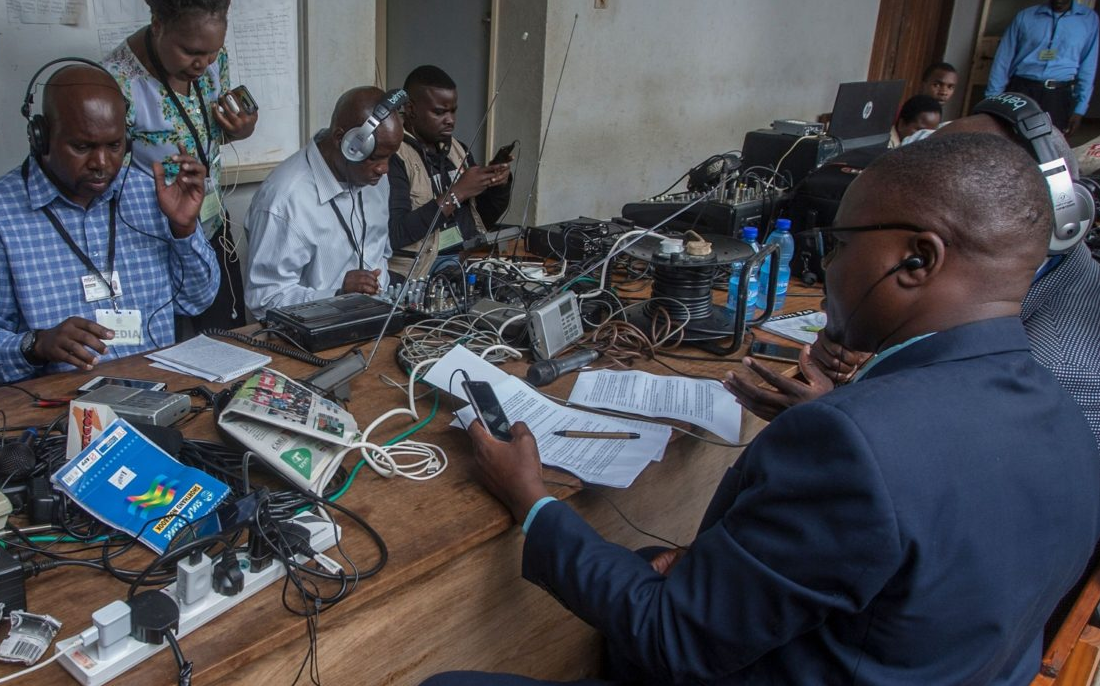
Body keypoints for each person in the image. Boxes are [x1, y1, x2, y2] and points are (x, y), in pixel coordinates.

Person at [425, 134, 1100, 684]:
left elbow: (671, 638)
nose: (827, 267)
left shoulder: (855, 445)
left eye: (837, 244)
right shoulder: (1067, 417)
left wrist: (532, 501)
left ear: (916, 259)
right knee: (652, 558)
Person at [726, 106, 1100, 446]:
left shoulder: (1062, 368)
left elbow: (979, 495)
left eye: (940, 174)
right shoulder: (981, 289)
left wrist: (839, 422)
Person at [0, 63, 218, 385]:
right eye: (83, 147)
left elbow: (196, 301)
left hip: (156, 393)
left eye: (114, 146)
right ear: (41, 137)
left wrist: (183, 229)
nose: (101, 164)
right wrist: (36, 345)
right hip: (59, 410)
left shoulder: (150, 195)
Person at [103, 0, 254, 330]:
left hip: (212, 226)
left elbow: (206, 132)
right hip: (154, 241)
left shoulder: (214, 59)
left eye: (212, 52)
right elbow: (105, 178)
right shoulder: (117, 82)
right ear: (157, 24)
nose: (203, 64)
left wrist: (241, 130)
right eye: (191, 52)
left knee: (228, 344)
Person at [243, 86, 403, 318]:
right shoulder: (284, 199)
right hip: (309, 338)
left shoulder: (375, 179)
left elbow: (382, 251)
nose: (384, 169)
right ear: (342, 140)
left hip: (375, 322)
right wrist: (336, 294)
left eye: (390, 157)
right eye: (376, 157)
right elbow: (265, 299)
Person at [387, 65, 512, 274]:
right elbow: (395, 233)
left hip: (465, 260)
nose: (450, 120)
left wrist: (497, 184)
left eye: (453, 111)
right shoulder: (393, 155)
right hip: (417, 273)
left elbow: (484, 217)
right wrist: (457, 193)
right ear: (410, 109)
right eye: (439, 112)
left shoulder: (457, 149)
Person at [986, 0, 1099, 135]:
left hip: (1058, 96)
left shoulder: (1088, 19)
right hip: (1021, 90)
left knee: (1049, 147)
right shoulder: (1025, 17)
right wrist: (992, 100)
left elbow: (1088, 65)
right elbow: (1002, 60)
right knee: (1010, 141)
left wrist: (1080, 108)